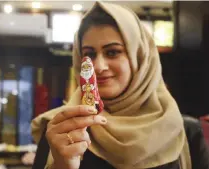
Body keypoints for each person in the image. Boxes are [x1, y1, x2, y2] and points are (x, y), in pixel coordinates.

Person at [31, 1, 209, 169]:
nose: (99, 66)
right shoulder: (61, 130)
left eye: (113, 52)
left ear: (140, 58)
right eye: (89, 54)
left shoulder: (184, 131)